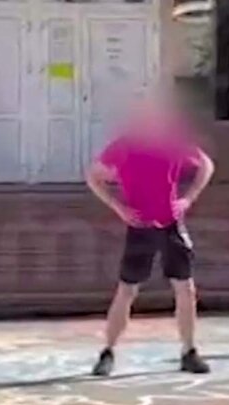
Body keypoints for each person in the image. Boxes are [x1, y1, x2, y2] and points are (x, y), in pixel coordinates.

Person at [87, 95, 216, 376]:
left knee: (185, 288)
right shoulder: (123, 147)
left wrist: (188, 198)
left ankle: (189, 351)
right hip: (140, 226)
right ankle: (108, 352)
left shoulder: (172, 144)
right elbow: (93, 175)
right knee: (127, 290)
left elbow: (206, 165)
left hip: (170, 223)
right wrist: (118, 208)